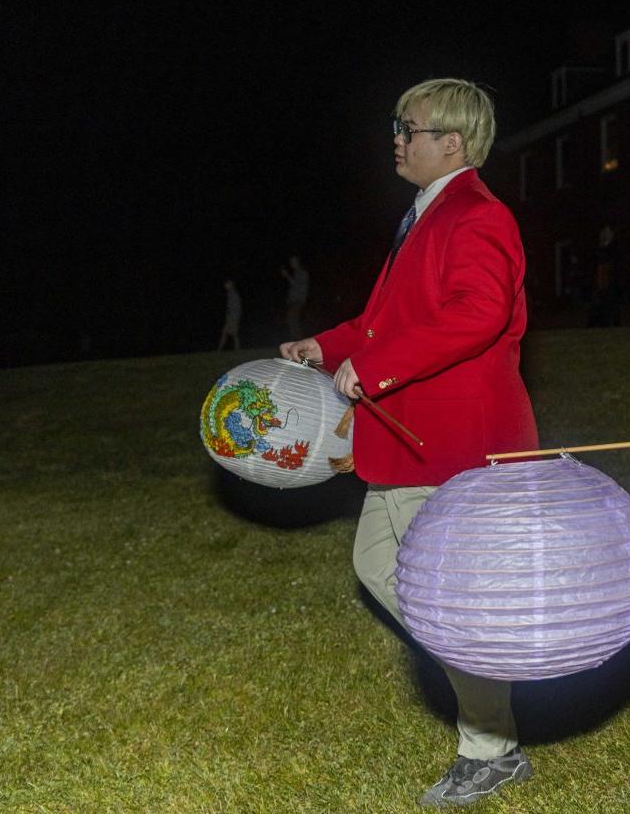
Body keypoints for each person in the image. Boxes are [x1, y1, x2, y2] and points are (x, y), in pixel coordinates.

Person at [280, 78, 537, 809]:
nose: (396, 137)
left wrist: (379, 368)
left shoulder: (477, 216)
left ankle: (490, 748)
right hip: (405, 442)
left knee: (446, 600)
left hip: (451, 442)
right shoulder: (427, 214)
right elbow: (381, 321)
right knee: (379, 567)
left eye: (409, 127)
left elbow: (478, 315)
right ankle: (490, 669)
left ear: (450, 143)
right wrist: (324, 347)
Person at [281, 255, 310, 337]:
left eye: (293, 261)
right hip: (293, 300)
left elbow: (297, 285)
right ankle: (296, 340)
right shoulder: (297, 272)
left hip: (298, 300)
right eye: (290, 262)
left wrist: (287, 276)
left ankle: (299, 341)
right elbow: (293, 288)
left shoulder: (303, 272)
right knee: (291, 320)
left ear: (297, 261)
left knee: (293, 319)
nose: (291, 263)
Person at [217, 279, 242, 351]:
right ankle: (218, 350)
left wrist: (235, 318)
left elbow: (237, 307)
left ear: (231, 285)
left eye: (227, 284)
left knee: (233, 334)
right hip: (231, 317)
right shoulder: (230, 294)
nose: (225, 286)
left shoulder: (234, 294)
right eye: (225, 285)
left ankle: (237, 349)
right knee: (225, 333)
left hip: (233, 318)